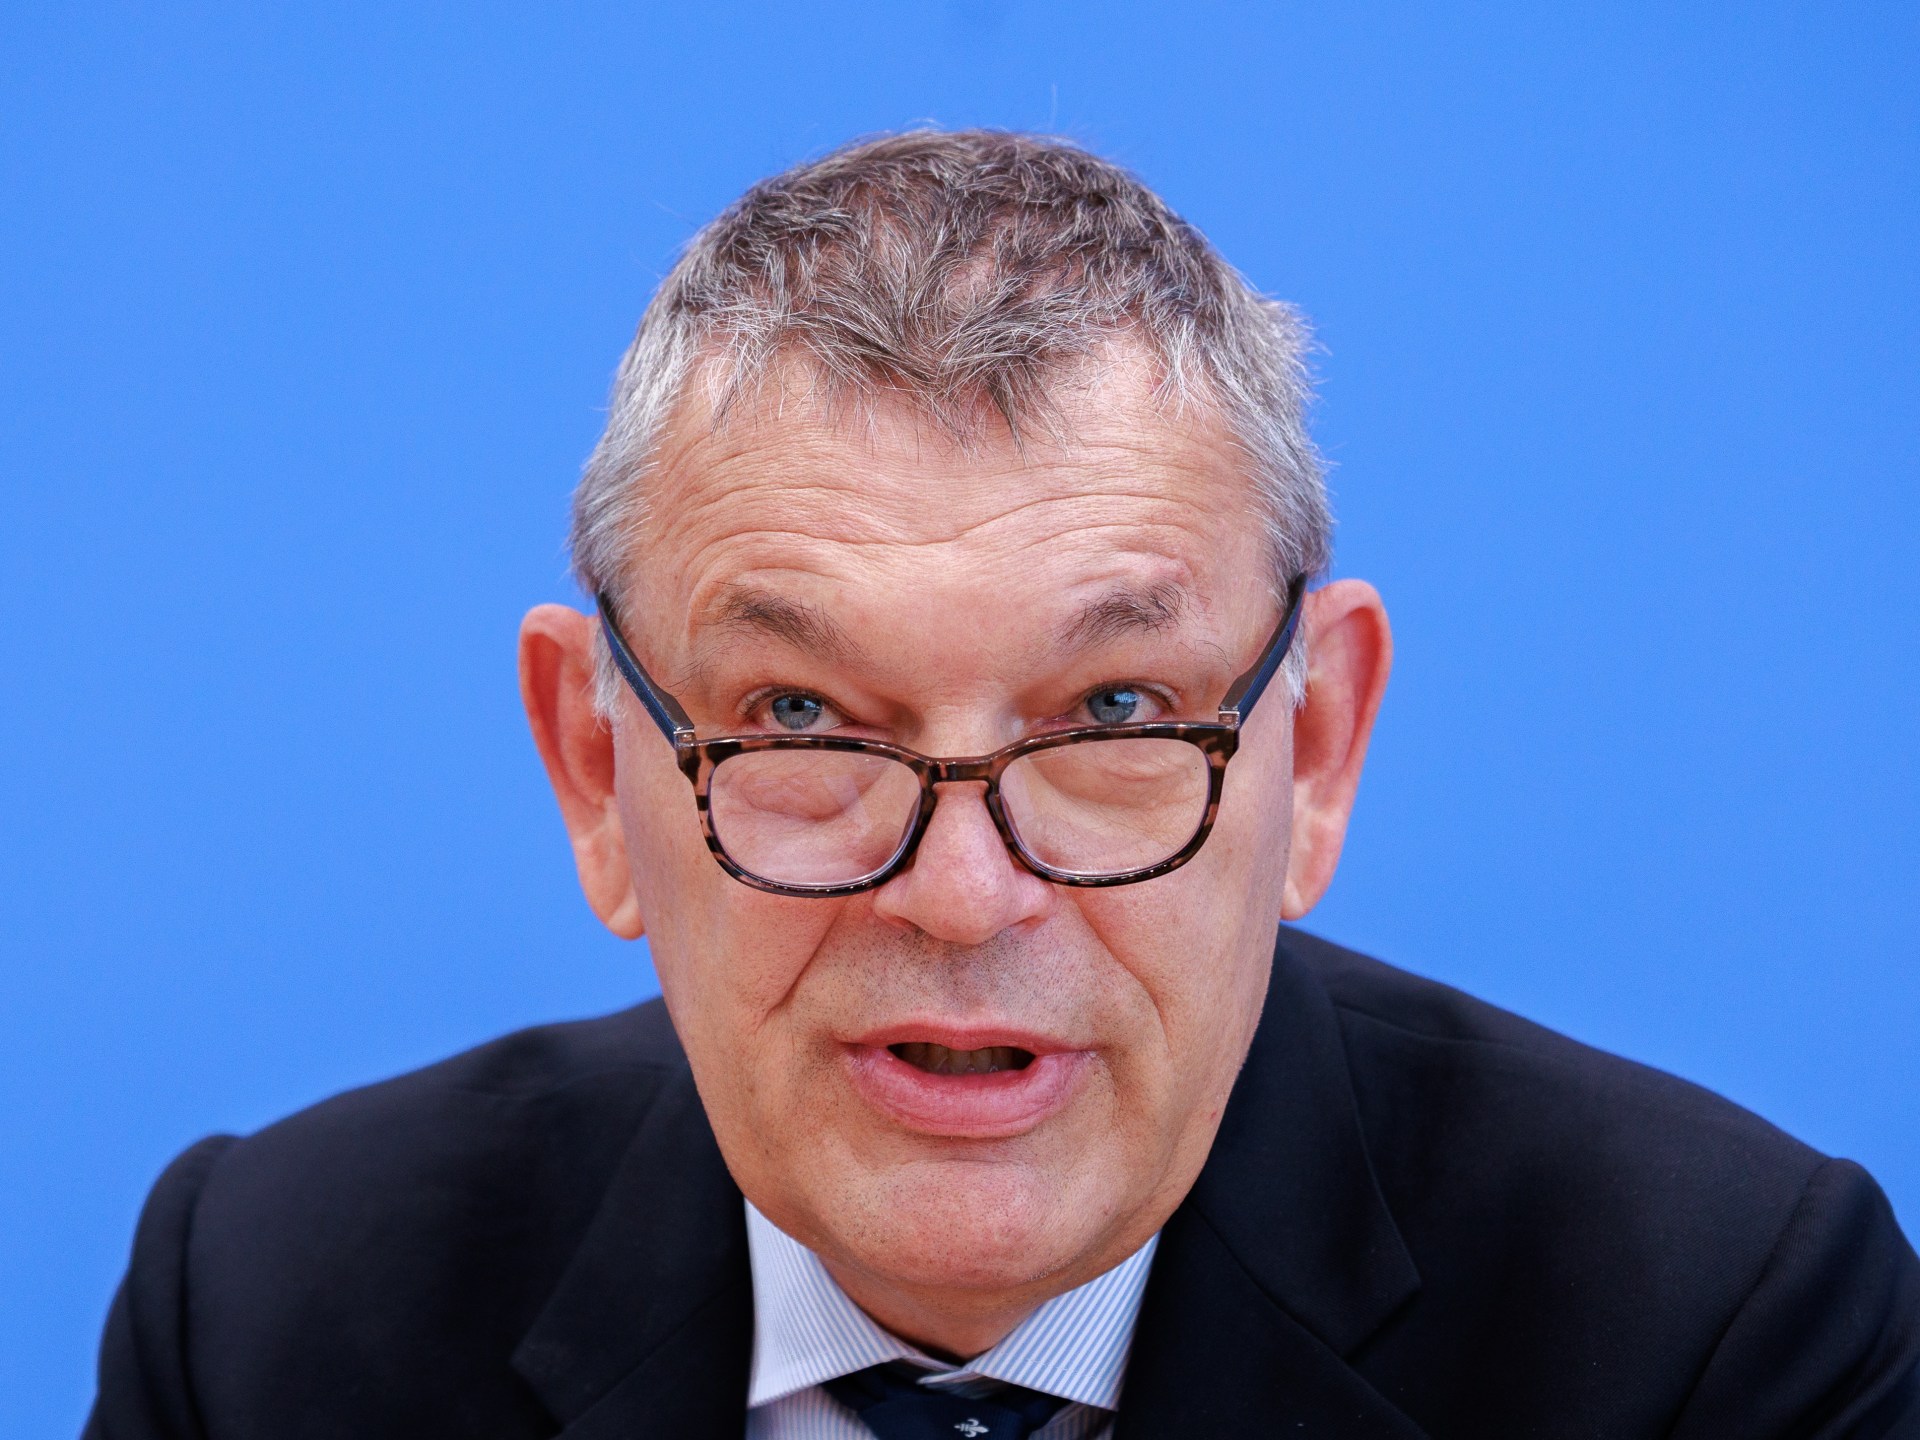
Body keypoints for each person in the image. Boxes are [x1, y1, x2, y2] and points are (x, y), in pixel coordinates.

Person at [86, 130, 1919, 1440]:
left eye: (1115, 710)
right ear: (592, 764)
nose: (963, 898)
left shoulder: (1715, 1337)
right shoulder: (266, 1320)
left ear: (1316, 747)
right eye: (801, 718)